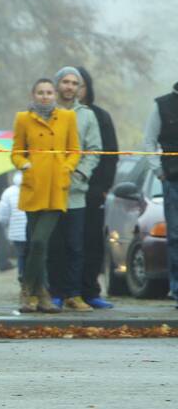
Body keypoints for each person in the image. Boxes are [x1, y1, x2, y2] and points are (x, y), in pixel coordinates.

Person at [11, 78, 79, 313]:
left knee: (40, 241)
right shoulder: (23, 119)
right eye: (40, 92)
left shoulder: (68, 117)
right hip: (33, 186)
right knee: (35, 244)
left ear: (54, 95)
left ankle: (28, 289)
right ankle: (42, 296)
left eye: (49, 92)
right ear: (33, 94)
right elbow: (16, 152)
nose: (45, 96)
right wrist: (25, 165)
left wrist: (67, 167)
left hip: (56, 187)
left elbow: (74, 150)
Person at [45, 67, 101, 312]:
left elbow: (95, 149)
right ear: (57, 85)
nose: (69, 86)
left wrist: (81, 173)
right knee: (52, 244)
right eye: (65, 82)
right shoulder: (45, 112)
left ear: (79, 88)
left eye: (74, 83)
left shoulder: (87, 116)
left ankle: (74, 294)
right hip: (48, 190)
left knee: (75, 246)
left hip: (76, 192)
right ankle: (54, 292)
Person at [77, 66, 118, 308]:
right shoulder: (58, 115)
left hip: (93, 190)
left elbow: (111, 154)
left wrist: (104, 187)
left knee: (92, 241)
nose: (75, 89)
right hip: (65, 190)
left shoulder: (101, 117)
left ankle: (90, 290)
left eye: (80, 84)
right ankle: (63, 290)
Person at [143, 80, 178, 306]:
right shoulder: (162, 105)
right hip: (173, 180)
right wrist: (159, 171)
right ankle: (176, 289)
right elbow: (149, 141)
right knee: (175, 236)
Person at [0, 171, 28, 283]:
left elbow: (3, 215)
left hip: (17, 233)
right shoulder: (38, 188)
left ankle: (22, 279)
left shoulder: (8, 192)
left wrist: (6, 226)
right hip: (34, 231)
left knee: (21, 256)